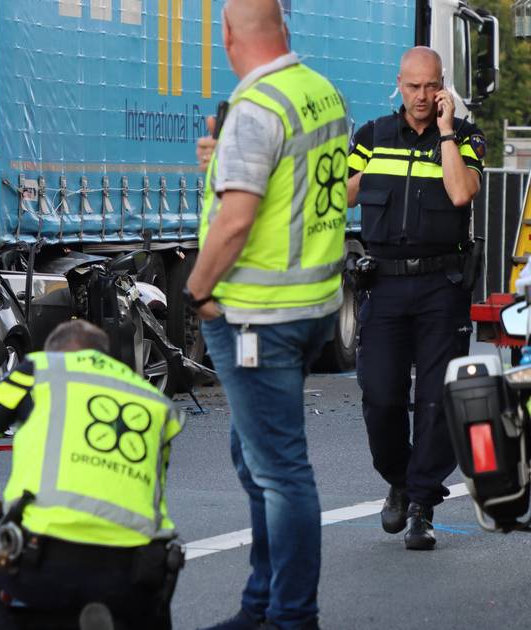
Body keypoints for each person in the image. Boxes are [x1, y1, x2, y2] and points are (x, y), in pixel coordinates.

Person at [187, 0, 349, 628]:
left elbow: (236, 223)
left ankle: (288, 616)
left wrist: (196, 293)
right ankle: (264, 605)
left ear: (227, 35)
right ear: (284, 28)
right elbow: (295, 183)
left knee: (280, 473)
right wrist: (222, 160)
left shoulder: (256, 108)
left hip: (259, 314)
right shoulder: (319, 90)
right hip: (309, 306)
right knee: (256, 458)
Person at [0, 320, 185, 630]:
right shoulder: (154, 400)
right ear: (104, 357)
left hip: (42, 563)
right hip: (137, 578)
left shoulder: (40, 369)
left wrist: (2, 516)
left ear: (56, 352)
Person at [345, 47, 484, 551]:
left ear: (443, 87)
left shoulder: (466, 137)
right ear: (398, 85)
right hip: (382, 283)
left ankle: (422, 504)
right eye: (413, 87)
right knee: (380, 396)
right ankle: (400, 479)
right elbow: (342, 194)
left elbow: (461, 191)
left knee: (435, 399)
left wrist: (447, 131)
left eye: (431, 87)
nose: (422, 97)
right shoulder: (372, 136)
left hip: (440, 286)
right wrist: (374, 172)